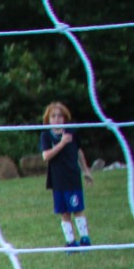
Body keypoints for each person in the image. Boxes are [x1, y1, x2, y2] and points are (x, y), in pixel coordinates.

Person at [40, 101, 94, 251]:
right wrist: (62, 143)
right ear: (48, 119)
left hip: (72, 177)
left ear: (65, 118)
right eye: (53, 116)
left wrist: (86, 171)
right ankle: (70, 242)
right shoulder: (46, 135)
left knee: (77, 208)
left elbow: (79, 152)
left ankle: (85, 239)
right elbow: (46, 156)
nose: (57, 119)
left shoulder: (71, 133)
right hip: (57, 180)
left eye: (60, 116)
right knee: (64, 212)